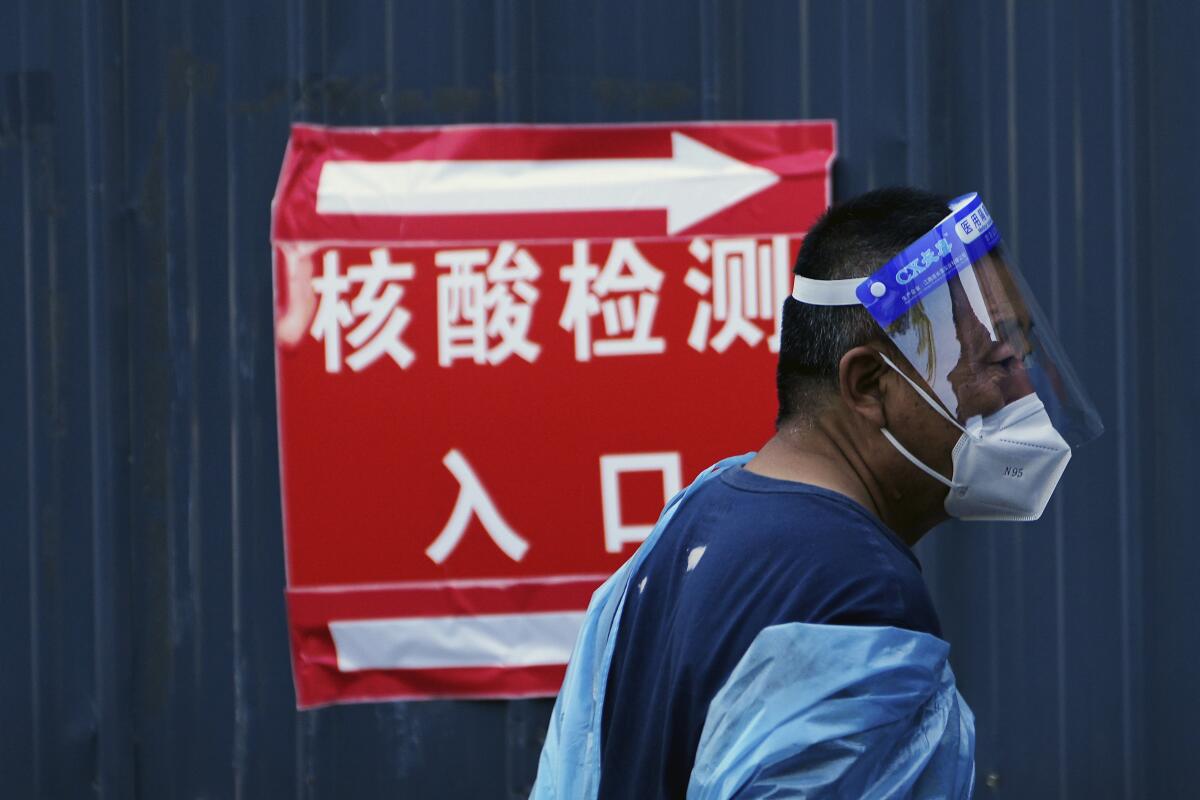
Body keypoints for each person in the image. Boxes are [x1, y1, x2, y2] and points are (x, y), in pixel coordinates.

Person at [531, 187, 1102, 799]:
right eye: (998, 360)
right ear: (869, 384)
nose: (1026, 393)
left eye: (1024, 356)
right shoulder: (851, 587)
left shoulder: (695, 515)